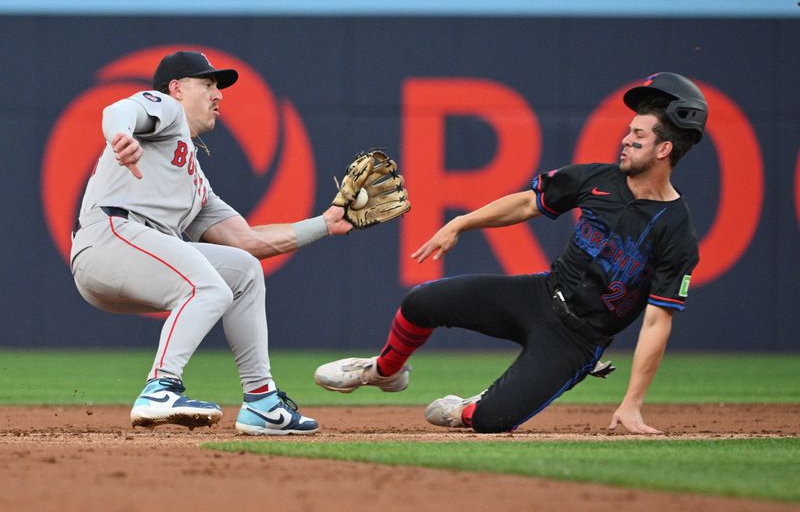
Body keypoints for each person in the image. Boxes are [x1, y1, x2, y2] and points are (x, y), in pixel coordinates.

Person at [315, 72, 706, 434]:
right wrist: (460, 223)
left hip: (579, 340)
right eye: (628, 131)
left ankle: (470, 407)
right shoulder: (596, 178)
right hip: (540, 296)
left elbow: (657, 322)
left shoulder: (676, 231)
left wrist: (632, 403)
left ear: (664, 148)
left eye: (638, 135)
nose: (625, 139)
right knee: (423, 301)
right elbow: (526, 204)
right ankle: (384, 371)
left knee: (490, 421)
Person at [70, 50, 353, 435]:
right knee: (209, 287)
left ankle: (262, 402)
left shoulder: (196, 183)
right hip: (109, 238)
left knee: (242, 271)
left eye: (217, 87)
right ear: (176, 89)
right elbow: (117, 110)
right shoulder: (166, 110)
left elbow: (247, 241)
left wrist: (325, 223)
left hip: (129, 257)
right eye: (207, 84)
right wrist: (121, 137)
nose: (217, 95)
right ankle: (160, 387)